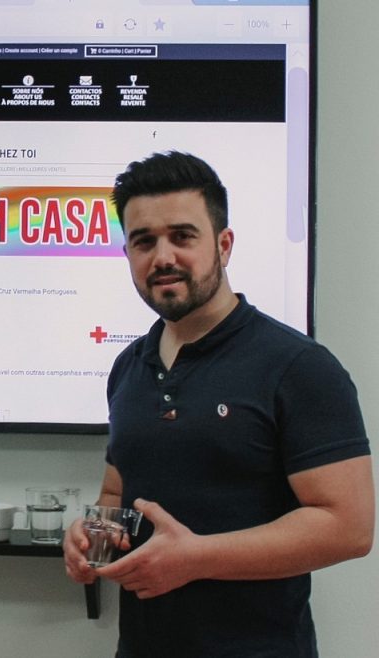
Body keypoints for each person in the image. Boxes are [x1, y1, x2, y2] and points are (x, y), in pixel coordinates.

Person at [63, 151, 374, 657]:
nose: (162, 257)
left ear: (223, 245)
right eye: (144, 241)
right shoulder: (128, 367)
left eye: (182, 236)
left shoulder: (298, 366)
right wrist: (89, 536)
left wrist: (197, 558)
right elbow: (116, 491)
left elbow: (348, 528)